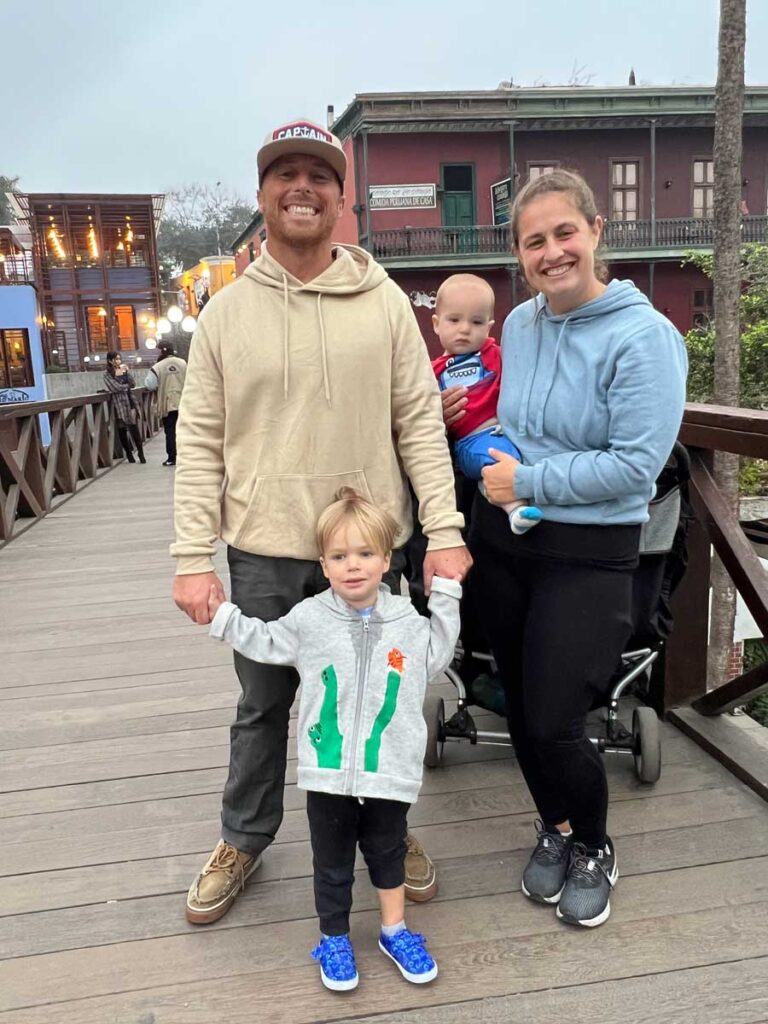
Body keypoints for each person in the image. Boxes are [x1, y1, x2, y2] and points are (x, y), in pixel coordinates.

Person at [173, 118, 471, 926]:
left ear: (343, 198)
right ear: (263, 193)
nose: (301, 185)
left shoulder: (382, 302)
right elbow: (197, 438)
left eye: (319, 174)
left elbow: (417, 421)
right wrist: (190, 554)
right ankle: (244, 837)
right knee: (265, 708)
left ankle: (389, 834)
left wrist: (443, 529)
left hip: (373, 548)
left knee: (385, 701)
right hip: (265, 546)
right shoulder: (228, 315)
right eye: (284, 173)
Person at [469, 169, 687, 927]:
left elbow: (635, 466)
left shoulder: (644, 336)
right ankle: (555, 827)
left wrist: (528, 478)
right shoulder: (522, 325)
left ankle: (593, 843)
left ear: (597, 232)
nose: (552, 252)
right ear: (520, 256)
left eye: (565, 233)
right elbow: (514, 419)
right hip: (504, 541)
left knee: (559, 720)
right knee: (522, 708)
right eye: (535, 241)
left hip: (590, 553)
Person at [207, 489, 461, 991]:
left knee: (389, 852)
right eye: (340, 556)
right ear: (323, 564)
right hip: (327, 772)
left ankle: (394, 929)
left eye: (366, 554)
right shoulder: (310, 619)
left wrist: (447, 596)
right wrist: (223, 618)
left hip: (388, 769)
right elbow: (267, 641)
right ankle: (334, 936)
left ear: (387, 561)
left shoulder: (408, 624)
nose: (353, 567)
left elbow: (437, 654)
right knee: (331, 858)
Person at [431, 273, 541, 535]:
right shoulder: (430, 373)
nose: (465, 329)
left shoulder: (498, 355)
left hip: (507, 431)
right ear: (436, 323)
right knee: (493, 460)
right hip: (471, 441)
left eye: (476, 322)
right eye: (454, 320)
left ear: (489, 326)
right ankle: (515, 510)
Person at [147, 341, 187, 466]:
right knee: (184, 430)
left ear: (161, 352)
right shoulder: (183, 363)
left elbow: (150, 385)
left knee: (170, 431)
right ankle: (186, 456)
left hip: (167, 403)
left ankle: (172, 457)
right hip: (183, 402)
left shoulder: (157, 367)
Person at [103, 352, 145, 464]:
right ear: (110, 360)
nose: (118, 361)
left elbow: (133, 384)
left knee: (134, 427)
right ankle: (129, 453)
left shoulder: (122, 370)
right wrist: (125, 386)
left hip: (130, 402)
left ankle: (141, 452)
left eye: (119, 358)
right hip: (119, 405)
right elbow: (115, 387)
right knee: (122, 430)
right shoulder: (107, 374)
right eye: (116, 359)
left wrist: (127, 373)